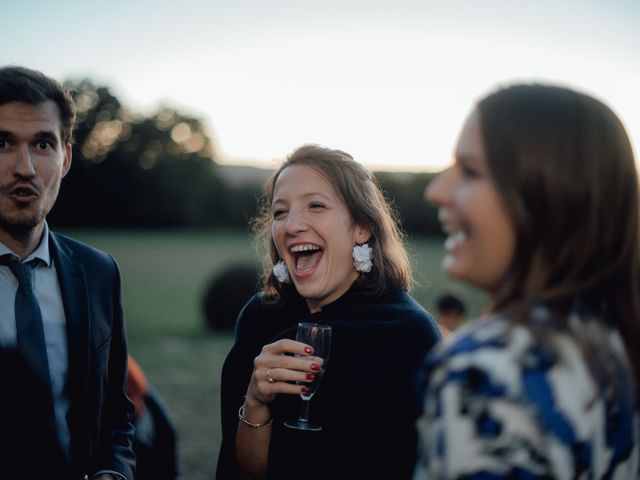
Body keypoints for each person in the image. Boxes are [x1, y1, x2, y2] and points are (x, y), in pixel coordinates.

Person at [414, 84, 640, 478]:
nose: (437, 191)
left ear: (547, 197)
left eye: (470, 171)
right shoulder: (613, 341)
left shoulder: (488, 369)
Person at [216, 144, 441, 479]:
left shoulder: (408, 334)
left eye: (316, 206)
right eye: (280, 212)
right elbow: (243, 474)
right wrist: (256, 403)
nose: (292, 225)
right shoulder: (258, 319)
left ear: (362, 227)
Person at [0, 65, 135, 479]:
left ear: (66, 158)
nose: (24, 167)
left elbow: (115, 415)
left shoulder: (98, 273)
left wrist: (113, 473)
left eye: (43, 144)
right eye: (2, 143)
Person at [127, 355, 180, 480]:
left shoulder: (125, 363)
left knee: (166, 435)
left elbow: (145, 389)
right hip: (127, 424)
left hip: (138, 412)